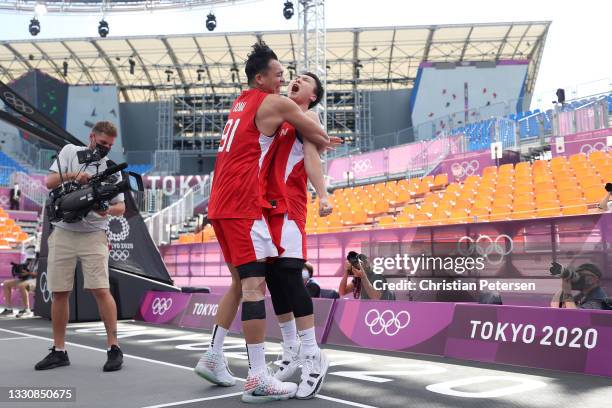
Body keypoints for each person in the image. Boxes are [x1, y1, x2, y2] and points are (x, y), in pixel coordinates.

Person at [194, 42, 331, 403]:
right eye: (282, 75)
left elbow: (314, 143)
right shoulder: (277, 105)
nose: (287, 78)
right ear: (261, 78)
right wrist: (321, 137)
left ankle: (218, 354)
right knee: (258, 285)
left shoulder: (242, 102)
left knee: (247, 281)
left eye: (297, 78)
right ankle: (259, 376)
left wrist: (324, 192)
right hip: (245, 205)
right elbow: (319, 137)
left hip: (239, 206)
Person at [34, 121, 125, 372]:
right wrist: (76, 175)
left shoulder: (112, 170)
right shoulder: (69, 152)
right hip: (63, 231)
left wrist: (105, 209)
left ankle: (114, 347)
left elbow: (121, 207)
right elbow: (49, 181)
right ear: (91, 137)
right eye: (102, 142)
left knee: (101, 289)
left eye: (109, 145)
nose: (105, 148)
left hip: (94, 234)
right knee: (59, 291)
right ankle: (59, 350)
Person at [264, 72, 332, 399]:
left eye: (304, 80)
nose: (295, 80)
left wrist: (324, 195)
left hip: (290, 206)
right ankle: (290, 349)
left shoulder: (309, 118)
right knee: (274, 279)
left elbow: (313, 159)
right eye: (294, 76)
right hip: (266, 207)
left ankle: (312, 354)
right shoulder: (278, 115)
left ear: (313, 95)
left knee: (290, 277)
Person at [1, 246, 37, 318]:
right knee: (6, 283)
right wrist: (18, 272)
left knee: (22, 285)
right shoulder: (27, 260)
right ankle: (9, 309)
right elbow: (23, 272)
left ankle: (27, 310)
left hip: (36, 279)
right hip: (26, 278)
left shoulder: (41, 259)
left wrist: (28, 273)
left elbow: (42, 273)